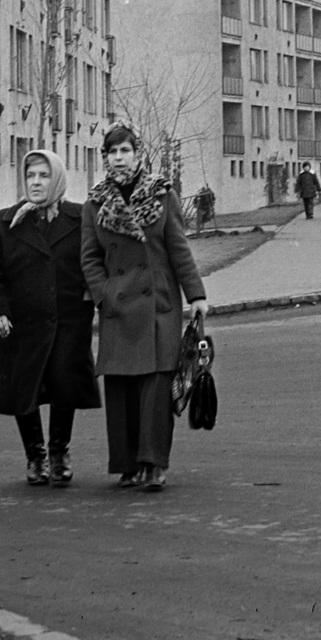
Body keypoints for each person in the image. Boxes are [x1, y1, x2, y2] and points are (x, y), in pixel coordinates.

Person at [80, 123, 209, 493]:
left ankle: (153, 463)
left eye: (125, 151)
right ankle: (126, 465)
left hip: (159, 304)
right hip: (118, 305)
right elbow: (89, 257)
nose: (119, 158)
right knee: (121, 389)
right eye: (112, 152)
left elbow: (178, 248)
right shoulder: (95, 203)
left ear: (138, 154)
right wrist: (104, 293)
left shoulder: (162, 194)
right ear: (105, 158)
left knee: (156, 387)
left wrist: (196, 294)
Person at [0, 150, 100, 487]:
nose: (36, 182)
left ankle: (59, 452)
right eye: (30, 175)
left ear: (56, 178)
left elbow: (93, 261)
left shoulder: (79, 217)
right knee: (23, 387)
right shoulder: (4, 222)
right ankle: (35, 456)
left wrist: (94, 297)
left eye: (44, 175)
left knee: (64, 384)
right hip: (22, 325)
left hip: (68, 321)